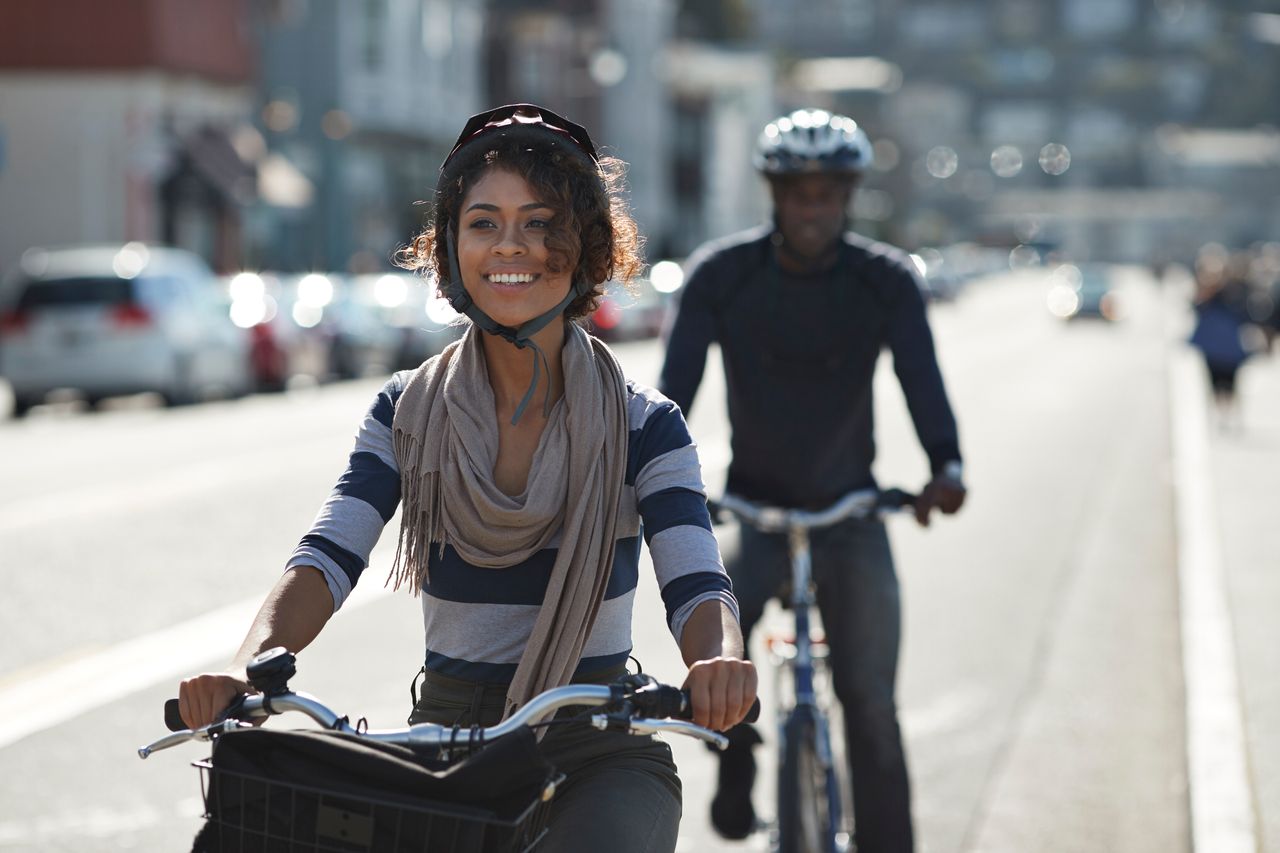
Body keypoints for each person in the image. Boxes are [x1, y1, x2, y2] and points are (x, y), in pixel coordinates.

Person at [178, 103, 757, 853]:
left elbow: (697, 583)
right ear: (450, 249)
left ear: (584, 247)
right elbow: (326, 556)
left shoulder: (645, 424)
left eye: (540, 222)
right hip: (447, 746)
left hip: (597, 742)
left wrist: (717, 661)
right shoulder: (406, 412)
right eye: (483, 223)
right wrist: (244, 671)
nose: (508, 246)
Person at [658, 108, 965, 853]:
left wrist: (945, 466)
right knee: (714, 665)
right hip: (755, 507)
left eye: (829, 193)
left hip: (849, 511)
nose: (813, 207)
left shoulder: (884, 280)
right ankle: (737, 768)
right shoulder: (721, 276)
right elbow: (674, 394)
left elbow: (922, 379)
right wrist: (658, 481)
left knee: (869, 703)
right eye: (799, 192)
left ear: (850, 195)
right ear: (774, 193)